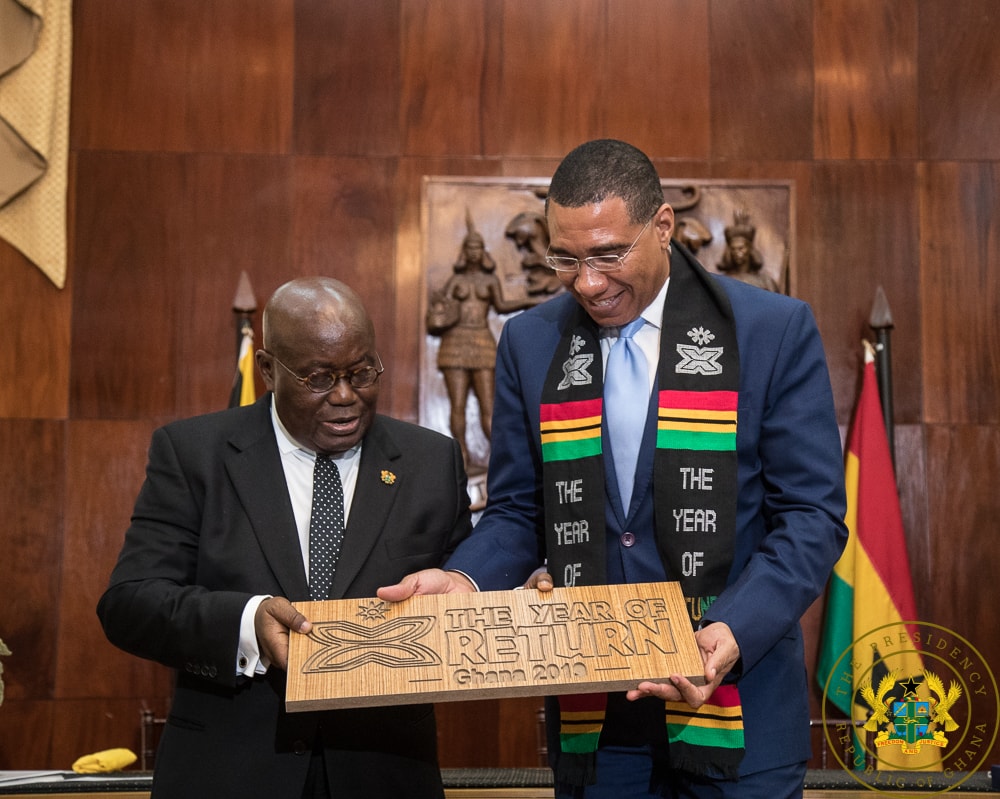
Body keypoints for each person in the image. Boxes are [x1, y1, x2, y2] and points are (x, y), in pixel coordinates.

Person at [380, 139, 848, 798]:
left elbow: (812, 518)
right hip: (599, 714)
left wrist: (730, 630)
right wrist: (466, 577)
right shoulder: (531, 340)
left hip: (736, 702)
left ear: (663, 226)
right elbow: (519, 510)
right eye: (566, 258)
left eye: (608, 254)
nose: (588, 282)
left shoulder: (771, 330)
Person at [98, 277, 472, 799]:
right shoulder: (194, 454)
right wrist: (248, 623)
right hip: (229, 773)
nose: (345, 396)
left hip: (383, 773)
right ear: (269, 369)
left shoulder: (430, 461)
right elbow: (129, 603)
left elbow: (467, 589)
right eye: (319, 377)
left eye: (362, 372)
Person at [428, 223, 533, 468]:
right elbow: (442, 310)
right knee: (458, 405)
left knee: (489, 405)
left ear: (482, 251)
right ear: (464, 252)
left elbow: (502, 305)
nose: (474, 252)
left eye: (478, 248)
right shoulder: (456, 281)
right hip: (455, 341)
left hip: (482, 340)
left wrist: (528, 299)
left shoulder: (490, 280)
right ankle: (461, 453)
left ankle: (501, 455)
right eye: (470, 248)